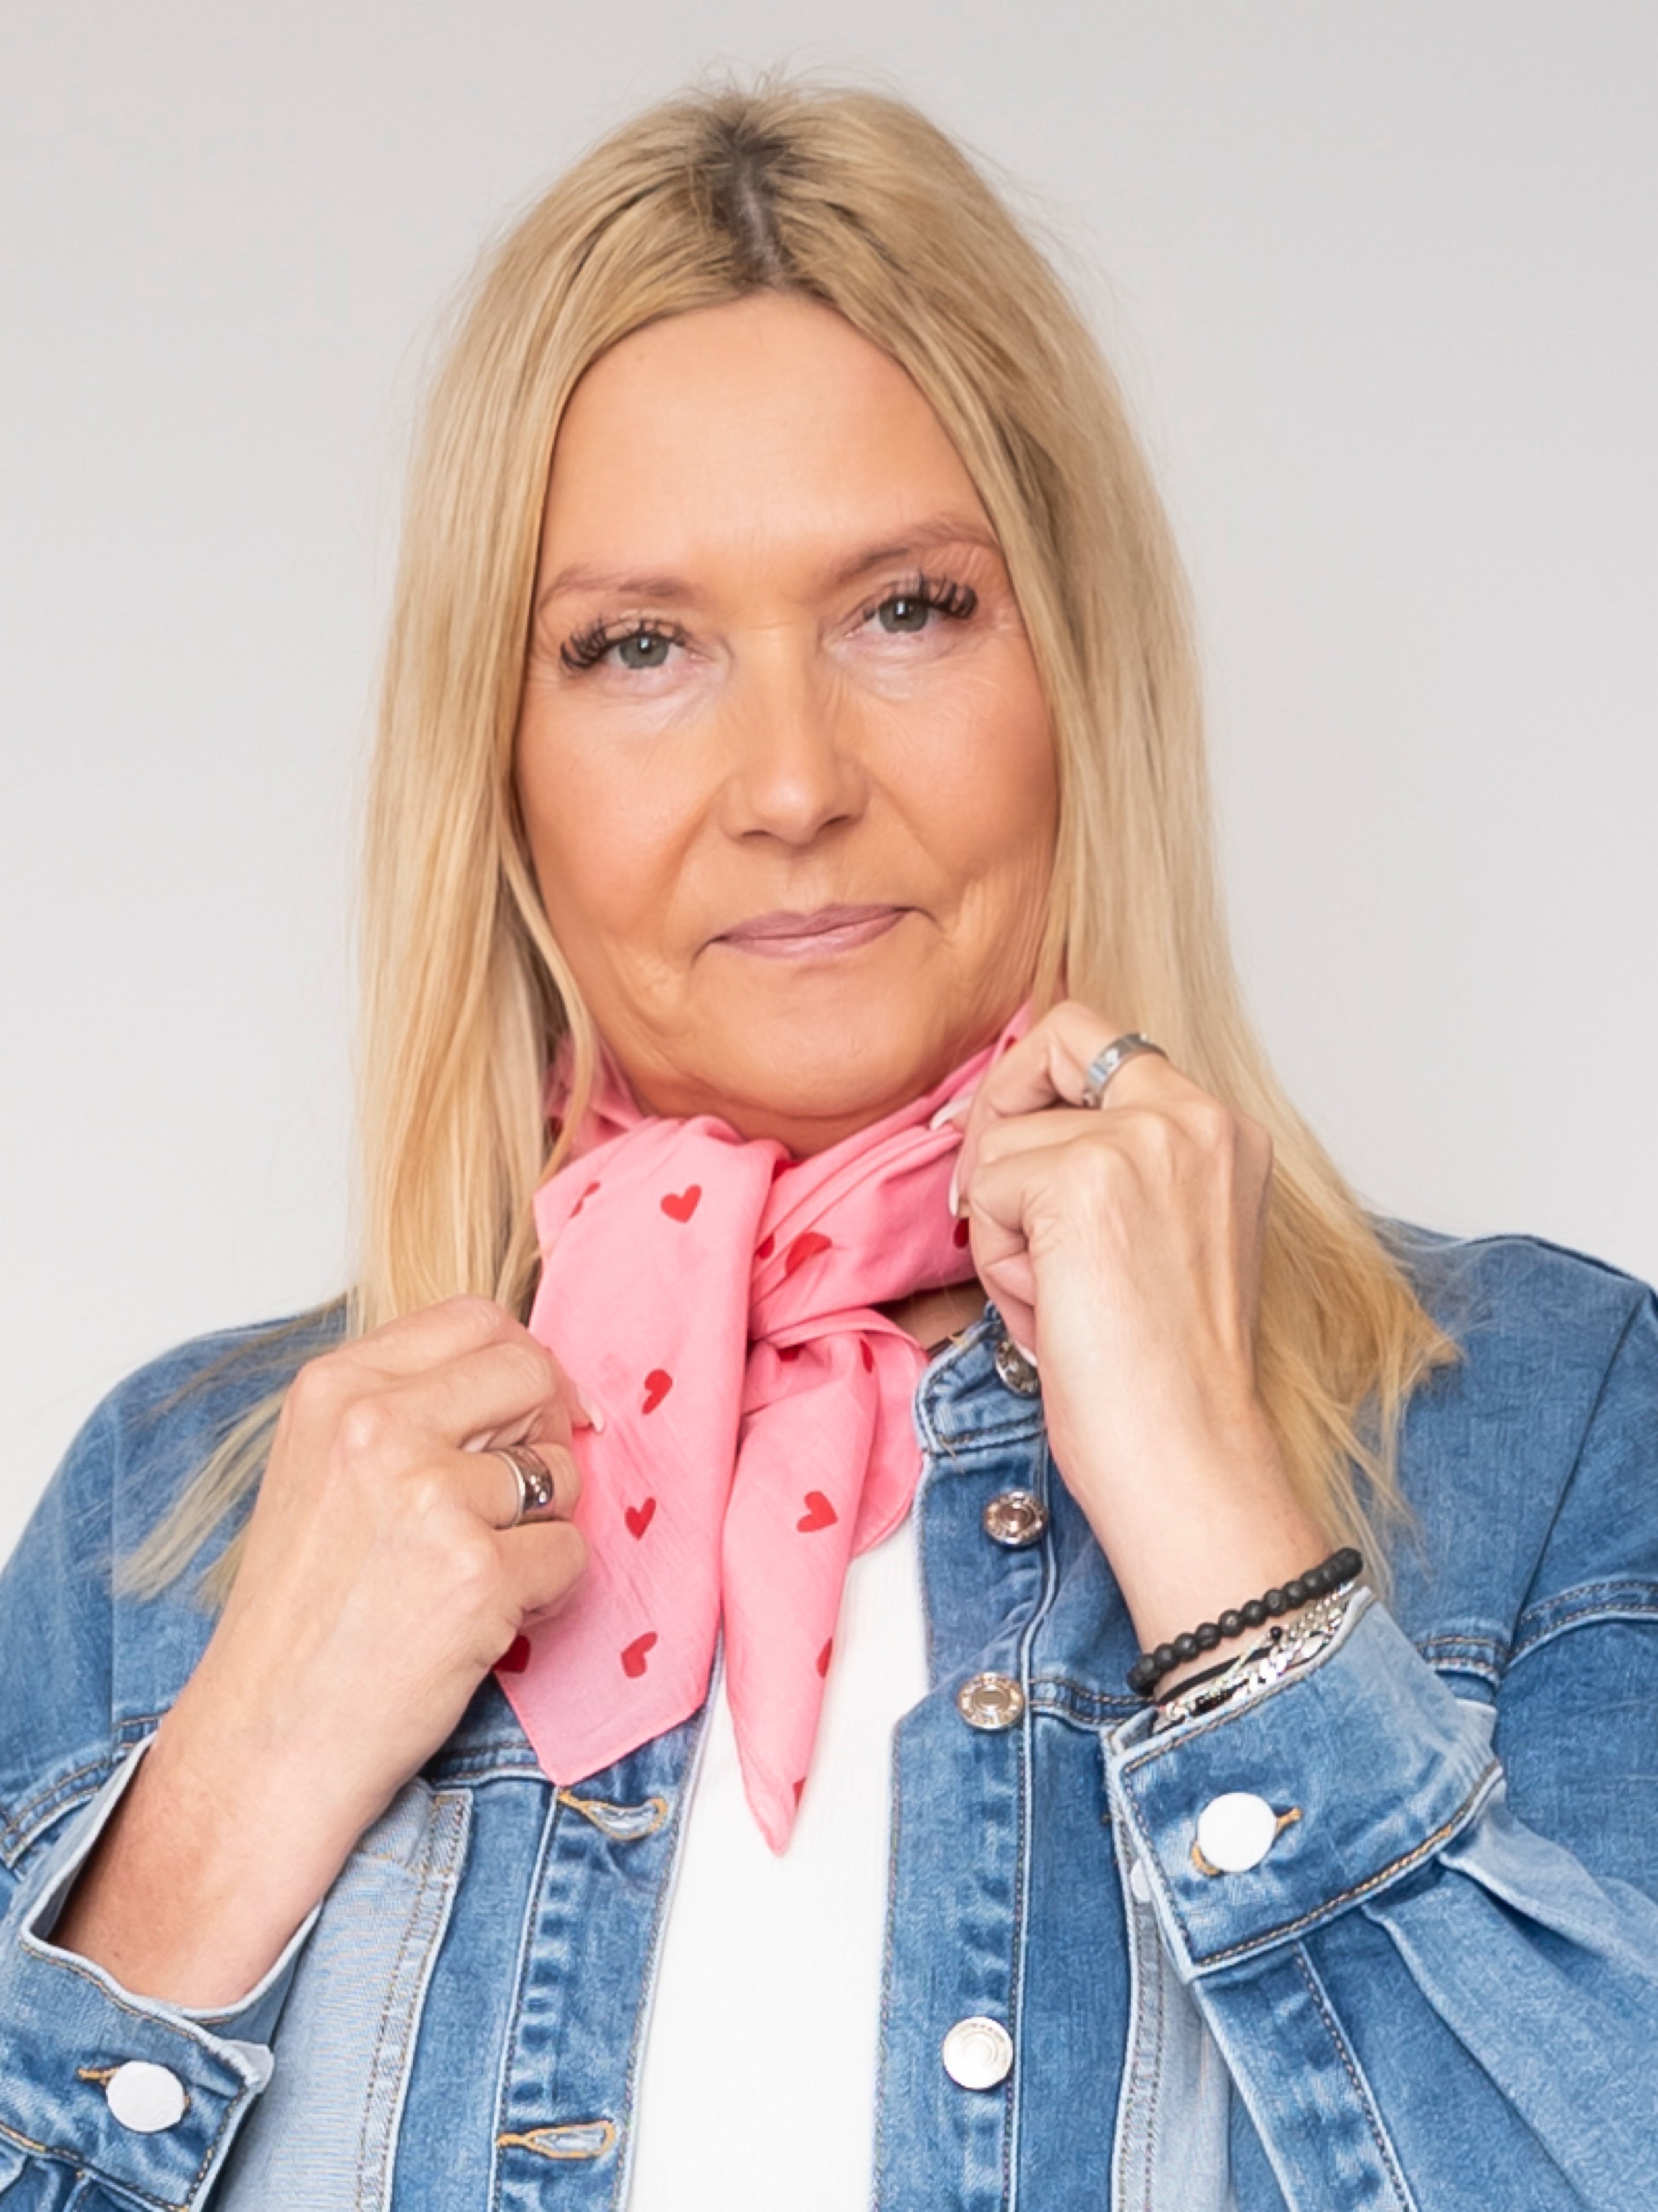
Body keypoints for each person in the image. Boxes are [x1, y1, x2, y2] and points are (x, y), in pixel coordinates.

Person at [1, 77, 1653, 2212]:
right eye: (640, 646)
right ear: (501, 760)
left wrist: (1226, 1545)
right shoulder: (182, 1512)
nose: (791, 785)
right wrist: (222, 1807)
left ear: (1077, 672)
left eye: (907, 610)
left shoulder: (1545, 1424)